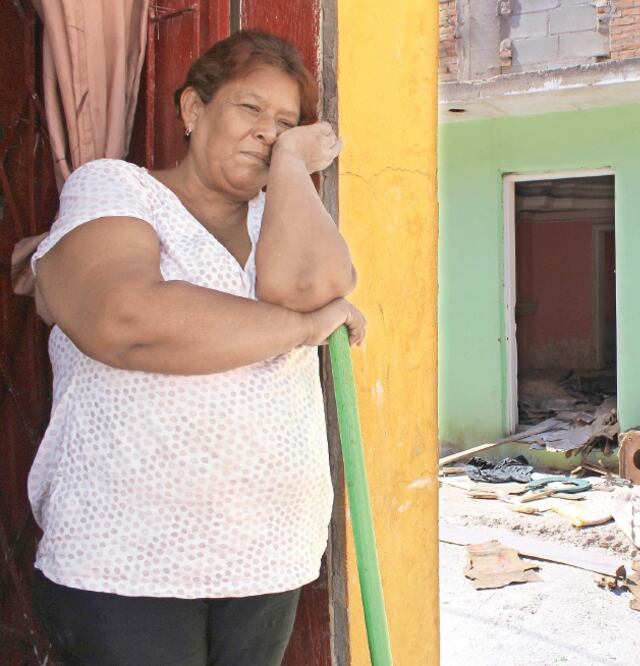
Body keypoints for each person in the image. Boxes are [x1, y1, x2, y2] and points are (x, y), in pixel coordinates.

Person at [27, 30, 363, 665]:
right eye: (250, 108)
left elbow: (312, 287)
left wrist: (292, 167)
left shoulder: (277, 219)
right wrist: (300, 328)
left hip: (268, 552)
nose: (268, 132)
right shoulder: (117, 190)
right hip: (127, 556)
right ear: (192, 108)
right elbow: (125, 320)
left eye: (285, 123)